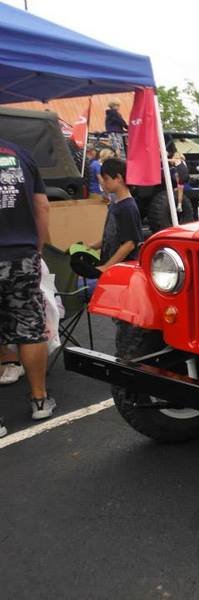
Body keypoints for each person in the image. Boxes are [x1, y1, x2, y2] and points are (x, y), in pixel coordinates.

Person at [0, 137, 56, 435]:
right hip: (22, 253)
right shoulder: (21, 153)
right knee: (30, 328)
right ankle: (39, 401)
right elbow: (42, 207)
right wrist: (36, 248)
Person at [85, 158, 143, 275]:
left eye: (106, 179)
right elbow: (113, 235)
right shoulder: (116, 204)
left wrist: (107, 266)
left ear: (119, 178)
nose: (103, 183)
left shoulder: (128, 208)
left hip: (121, 270)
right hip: (111, 266)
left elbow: (129, 243)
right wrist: (93, 246)